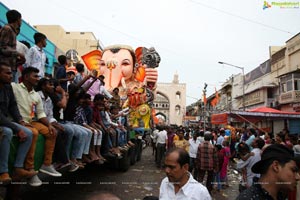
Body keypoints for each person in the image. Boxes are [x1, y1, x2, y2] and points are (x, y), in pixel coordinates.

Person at [12, 67, 61, 186]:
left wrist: (49, 124)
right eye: (35, 76)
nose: (37, 79)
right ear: (26, 76)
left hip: (31, 121)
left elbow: (40, 114)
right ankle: (30, 170)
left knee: (51, 132)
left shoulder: (35, 95)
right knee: (33, 133)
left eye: (38, 76)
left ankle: (47, 164)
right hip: (17, 121)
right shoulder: (15, 87)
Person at [0, 61, 36, 183]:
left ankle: (18, 168)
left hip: (4, 121)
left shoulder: (7, 87)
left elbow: (13, 106)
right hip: (3, 122)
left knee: (29, 132)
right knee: (7, 132)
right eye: (7, 73)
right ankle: (3, 171)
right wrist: (17, 128)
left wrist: (20, 121)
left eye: (11, 73)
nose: (11, 76)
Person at [0, 9, 25, 83]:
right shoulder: (7, 29)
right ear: (17, 19)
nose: (21, 21)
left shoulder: (13, 31)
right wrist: (18, 53)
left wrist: (18, 60)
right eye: (21, 19)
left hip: (11, 67)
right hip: (5, 68)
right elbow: (2, 48)